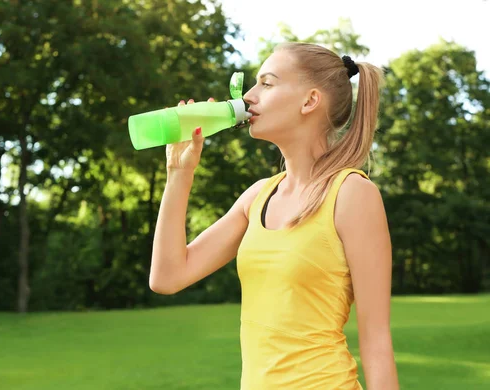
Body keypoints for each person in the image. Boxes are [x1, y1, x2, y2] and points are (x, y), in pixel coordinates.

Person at [149, 42, 399, 390]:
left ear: (310, 101)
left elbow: (376, 342)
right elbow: (167, 277)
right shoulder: (258, 196)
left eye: (267, 83)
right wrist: (179, 173)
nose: (249, 96)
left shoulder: (352, 194)